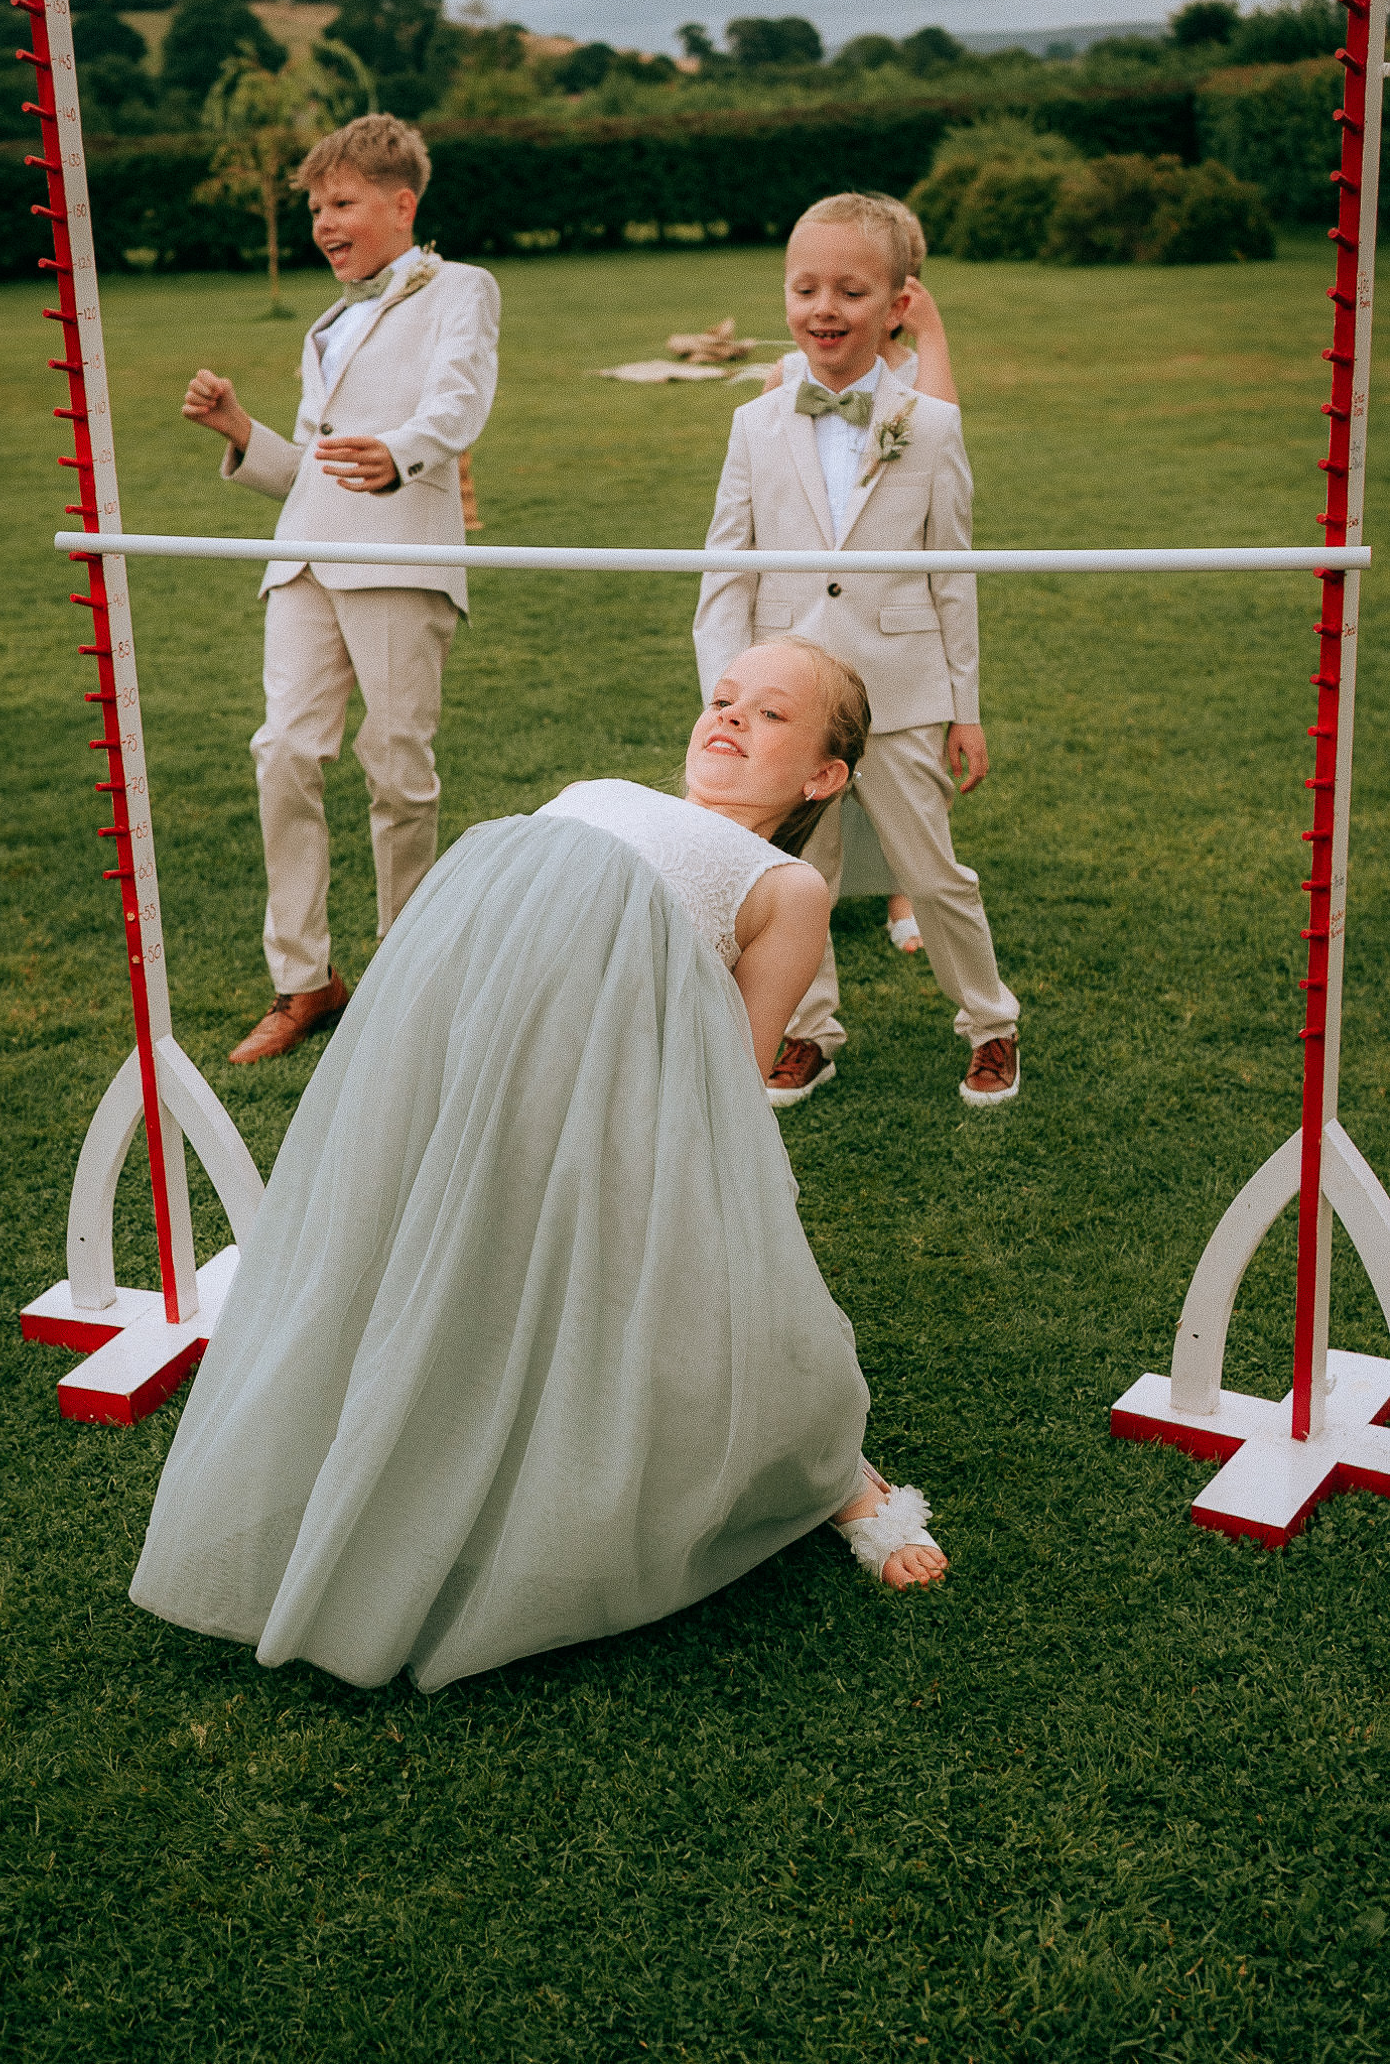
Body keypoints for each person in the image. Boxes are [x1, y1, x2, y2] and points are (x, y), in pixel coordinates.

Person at [129, 639, 947, 1694]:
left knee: (703, 1314)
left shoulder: (782, 884)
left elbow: (733, 1068)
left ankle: (833, 1472)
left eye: (773, 716)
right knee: (440, 1281)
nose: (732, 717)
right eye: (723, 697)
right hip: (475, 1089)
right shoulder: (595, 794)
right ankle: (404, 1455)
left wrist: (683, 1183)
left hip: (608, 1118)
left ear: (823, 777)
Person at [181, 113, 501, 1066]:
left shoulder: (461, 291)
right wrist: (245, 432)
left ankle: (407, 974)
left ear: (403, 204)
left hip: (401, 558)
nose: (324, 222)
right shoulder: (325, 321)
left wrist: (401, 452)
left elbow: (459, 402)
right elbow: (317, 473)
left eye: (343, 203)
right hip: (303, 564)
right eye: (317, 206)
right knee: (282, 749)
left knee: (397, 767)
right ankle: (304, 979)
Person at [695, 191, 1020, 1109]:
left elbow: (952, 573)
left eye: (850, 289)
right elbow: (725, 570)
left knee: (931, 869)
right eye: (806, 289)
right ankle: (807, 1031)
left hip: (906, 687)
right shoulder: (754, 425)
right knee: (800, 870)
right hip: (785, 699)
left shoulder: (933, 425)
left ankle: (990, 1022)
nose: (824, 309)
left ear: (895, 305)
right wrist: (724, 699)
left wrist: (966, 705)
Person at [762, 197, 953, 957]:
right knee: (811, 816)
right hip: (806, 628)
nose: (827, 307)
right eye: (808, 288)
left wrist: (931, 331)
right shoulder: (787, 378)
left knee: (909, 792)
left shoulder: (915, 386)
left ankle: (909, 892)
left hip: (891, 624)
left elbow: (942, 448)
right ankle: (808, 1009)